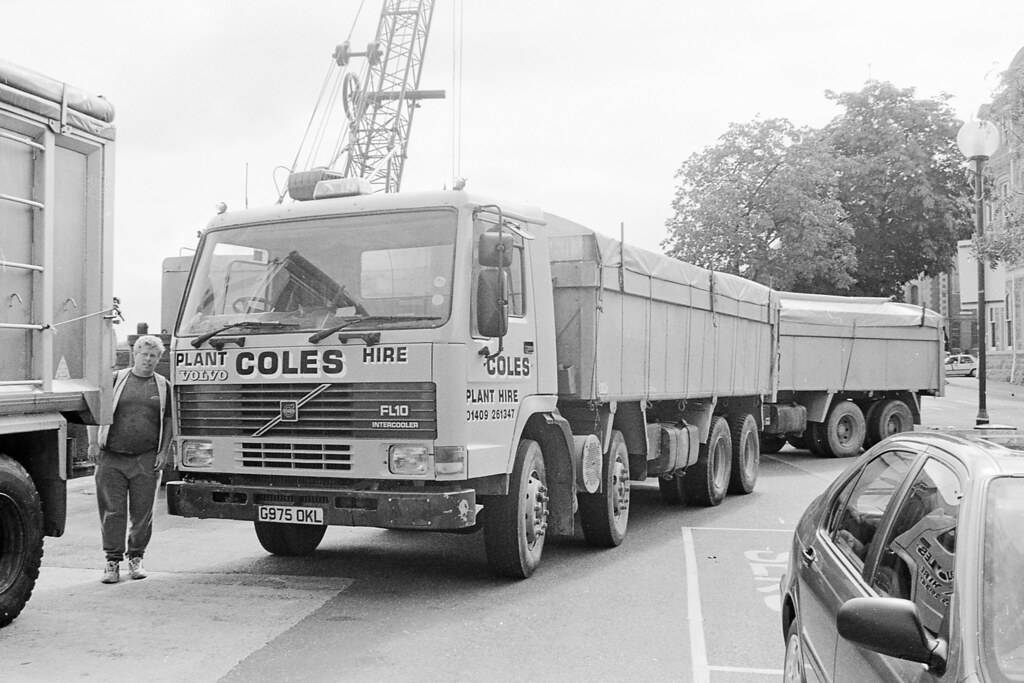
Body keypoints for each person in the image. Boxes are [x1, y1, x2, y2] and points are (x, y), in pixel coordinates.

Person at [87, 335, 173, 584]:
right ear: (134, 354)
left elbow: (168, 421)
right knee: (112, 512)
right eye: (144, 354)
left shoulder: (163, 385)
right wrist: (93, 443)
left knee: (142, 513)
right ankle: (112, 562)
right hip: (111, 457)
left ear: (159, 359)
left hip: (145, 459)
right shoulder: (115, 379)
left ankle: (136, 558)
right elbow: (95, 411)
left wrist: (163, 452)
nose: (148, 359)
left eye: (153, 355)